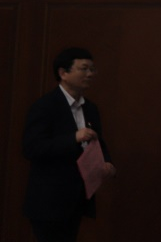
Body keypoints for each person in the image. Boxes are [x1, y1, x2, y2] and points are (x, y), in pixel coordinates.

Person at [23, 47, 116, 242]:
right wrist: (72, 138)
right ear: (63, 73)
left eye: (92, 69)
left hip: (77, 199)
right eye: (84, 69)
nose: (90, 74)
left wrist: (106, 162)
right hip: (48, 200)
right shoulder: (45, 106)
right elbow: (32, 148)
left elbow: (98, 142)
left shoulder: (90, 108)